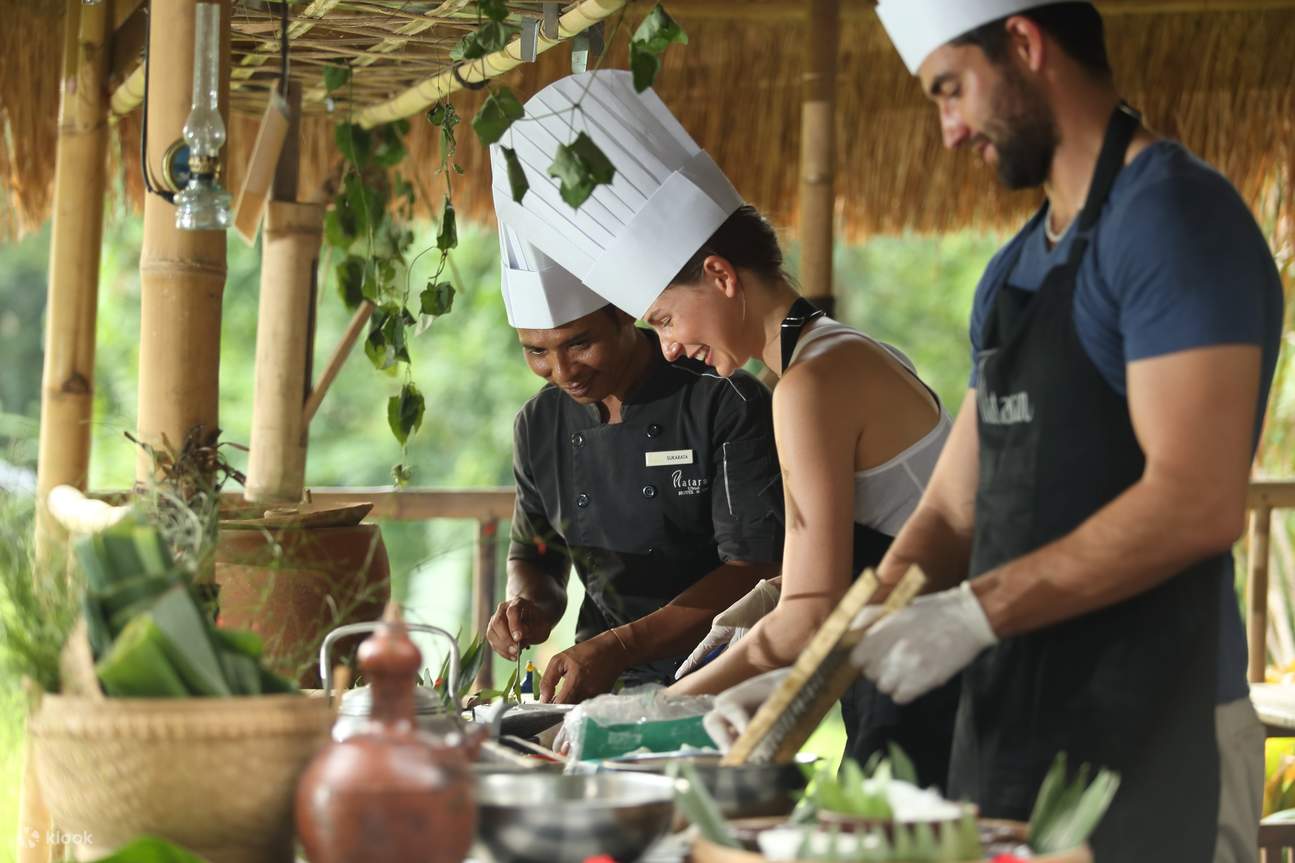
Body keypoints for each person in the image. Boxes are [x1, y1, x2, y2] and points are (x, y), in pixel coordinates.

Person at [845, 2, 1282, 860]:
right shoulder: (1012, 269)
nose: (946, 131)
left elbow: (1195, 500)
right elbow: (947, 517)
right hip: (1013, 726)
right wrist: (820, 664)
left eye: (950, 91)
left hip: (1159, 729)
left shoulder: (1172, 219)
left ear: (1022, 43)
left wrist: (972, 611)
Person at [491, 70, 958, 788]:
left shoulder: (805, 385)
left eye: (666, 319)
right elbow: (826, 576)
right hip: (916, 660)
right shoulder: (841, 352)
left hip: (939, 673)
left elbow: (809, 616)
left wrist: (651, 708)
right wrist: (756, 608)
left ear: (720, 273)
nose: (670, 347)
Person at [485, 220, 784, 704]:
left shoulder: (723, 400)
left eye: (580, 343)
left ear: (624, 313)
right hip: (598, 676)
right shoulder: (539, 423)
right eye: (537, 352)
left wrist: (622, 646)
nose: (562, 372)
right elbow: (537, 554)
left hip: (723, 669)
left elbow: (753, 569)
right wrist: (529, 606)